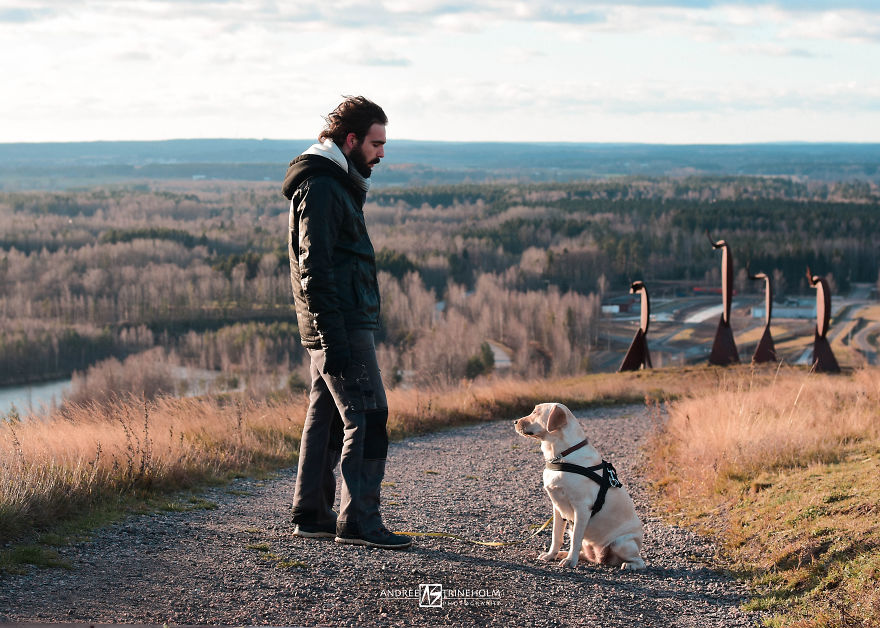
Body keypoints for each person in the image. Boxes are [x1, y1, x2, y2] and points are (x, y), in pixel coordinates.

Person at [282, 96, 411, 550]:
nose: (382, 153)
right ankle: (359, 522)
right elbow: (314, 267)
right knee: (369, 415)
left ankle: (313, 514)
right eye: (376, 143)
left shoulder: (334, 182)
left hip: (339, 320)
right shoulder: (321, 187)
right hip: (340, 322)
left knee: (328, 415)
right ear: (351, 140)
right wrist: (332, 335)